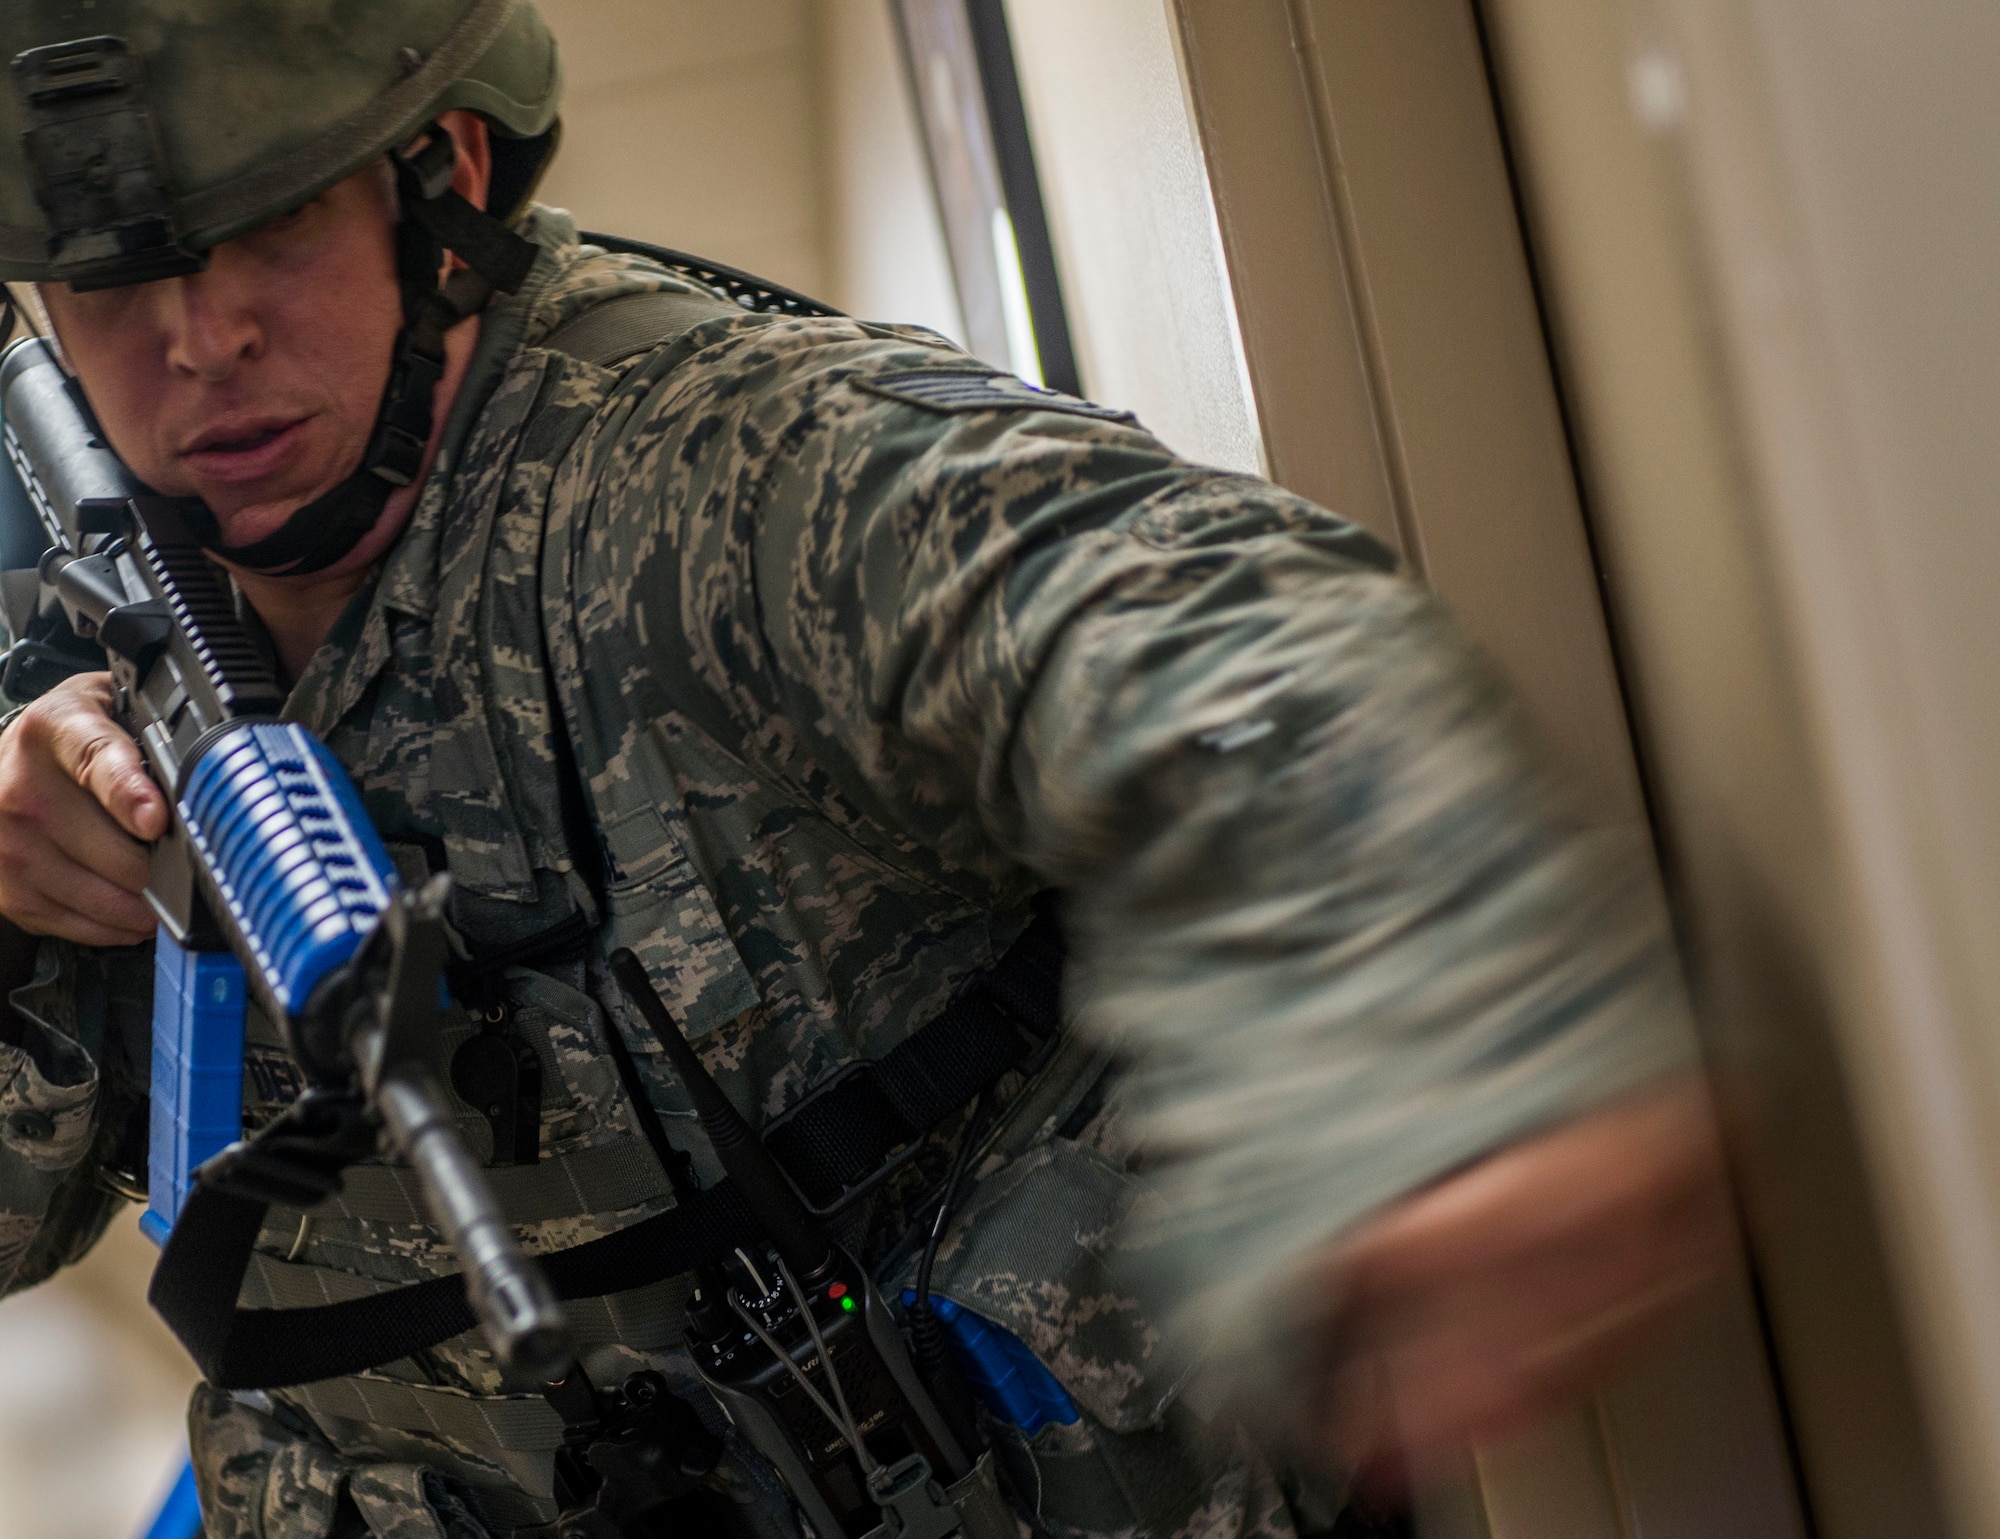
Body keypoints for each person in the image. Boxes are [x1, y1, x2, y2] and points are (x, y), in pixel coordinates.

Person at [0, 3, 1730, 1536]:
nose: (197, 339)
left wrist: (1447, 1060)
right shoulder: (73, 642)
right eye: (109, 279)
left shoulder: (713, 463)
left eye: (273, 221)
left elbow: (1203, 639)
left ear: (438, 174)